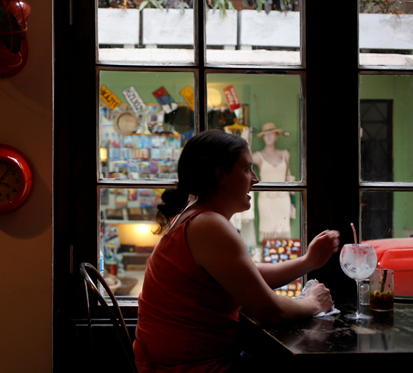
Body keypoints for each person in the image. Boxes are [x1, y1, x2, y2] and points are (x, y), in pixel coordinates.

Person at [133, 130, 340, 373]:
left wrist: (308, 262)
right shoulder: (208, 225)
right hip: (187, 370)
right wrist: (313, 302)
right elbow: (272, 311)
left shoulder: (197, 217)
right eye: (247, 169)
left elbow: (247, 275)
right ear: (221, 175)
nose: (255, 179)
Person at [251, 122, 294, 240]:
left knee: (283, 231)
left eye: (272, 134)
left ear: (276, 136)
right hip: (266, 200)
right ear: (263, 137)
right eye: (266, 134)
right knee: (267, 231)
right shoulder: (257, 156)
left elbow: (288, 177)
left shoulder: (285, 154)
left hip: (283, 198)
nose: (269, 137)